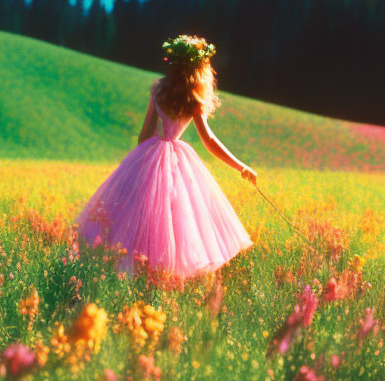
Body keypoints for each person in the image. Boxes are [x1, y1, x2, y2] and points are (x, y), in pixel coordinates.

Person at [76, 34, 256, 280]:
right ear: (198, 69)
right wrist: (241, 166)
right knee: (175, 219)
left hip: (150, 154)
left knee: (136, 214)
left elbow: (144, 134)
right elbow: (209, 141)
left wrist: (142, 160)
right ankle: (163, 275)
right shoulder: (194, 98)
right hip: (177, 161)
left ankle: (131, 270)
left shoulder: (159, 88)